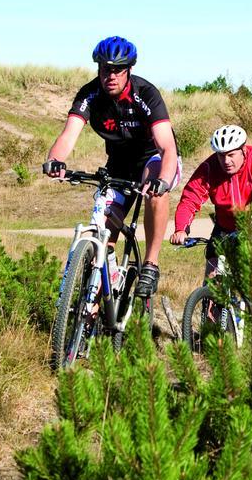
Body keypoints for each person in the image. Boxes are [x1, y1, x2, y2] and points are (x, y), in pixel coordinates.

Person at [43, 36, 180, 297]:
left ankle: (151, 263)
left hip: (154, 158)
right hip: (118, 163)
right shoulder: (90, 94)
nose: (111, 75)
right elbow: (69, 134)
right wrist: (55, 160)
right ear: (98, 69)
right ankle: (96, 301)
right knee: (103, 232)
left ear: (129, 70)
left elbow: (167, 147)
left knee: (155, 190)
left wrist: (163, 180)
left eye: (118, 69)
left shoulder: (146, 94)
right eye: (106, 68)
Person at [170, 124, 252, 277]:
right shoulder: (210, 168)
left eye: (231, 155)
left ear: (243, 150)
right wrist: (180, 229)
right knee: (212, 274)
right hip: (226, 228)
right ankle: (209, 299)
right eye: (221, 155)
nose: (226, 161)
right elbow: (190, 199)